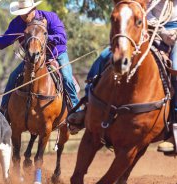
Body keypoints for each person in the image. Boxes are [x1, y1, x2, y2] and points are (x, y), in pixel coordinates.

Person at [67, 0, 177, 152]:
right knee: (105, 56)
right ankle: (87, 107)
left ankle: (175, 129)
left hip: (174, 31)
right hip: (144, 27)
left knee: (176, 66)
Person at [0, 0, 79, 114]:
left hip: (57, 54)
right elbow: (2, 42)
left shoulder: (50, 17)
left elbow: (62, 38)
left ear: (33, 9)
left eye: (26, 12)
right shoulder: (17, 24)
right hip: (32, 58)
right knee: (13, 77)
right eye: (21, 12)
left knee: (67, 78)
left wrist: (44, 38)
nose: (24, 16)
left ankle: (76, 110)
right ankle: (3, 112)